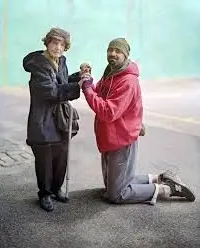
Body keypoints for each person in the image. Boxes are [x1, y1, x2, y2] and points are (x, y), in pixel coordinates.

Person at [79, 38, 195, 204]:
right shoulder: (111, 72)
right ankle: (161, 178)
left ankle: (168, 189)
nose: (112, 53)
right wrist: (88, 80)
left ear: (125, 55)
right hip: (109, 136)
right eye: (110, 50)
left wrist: (88, 89)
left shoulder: (127, 81)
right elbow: (99, 92)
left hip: (121, 138)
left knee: (117, 194)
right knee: (112, 186)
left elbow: (108, 112)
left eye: (117, 51)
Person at [23, 27, 81, 212]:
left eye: (61, 44)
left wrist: (79, 77)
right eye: (54, 42)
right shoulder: (39, 64)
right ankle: (45, 193)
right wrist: (75, 87)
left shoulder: (61, 61)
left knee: (61, 155)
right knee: (45, 159)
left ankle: (56, 188)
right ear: (47, 43)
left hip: (59, 120)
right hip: (43, 120)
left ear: (65, 47)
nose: (57, 47)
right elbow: (50, 91)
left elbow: (62, 82)